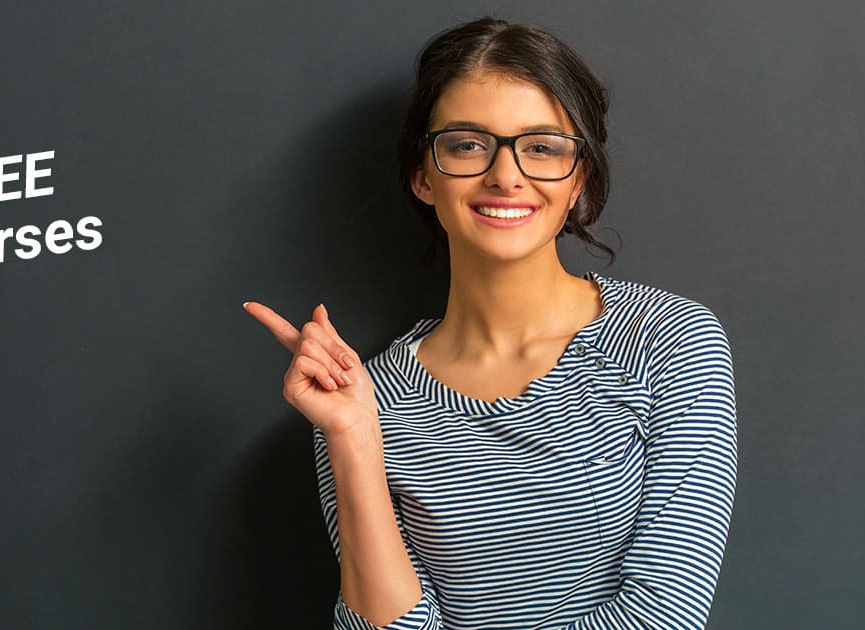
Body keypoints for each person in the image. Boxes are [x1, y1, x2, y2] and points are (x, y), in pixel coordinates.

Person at [244, 17, 736, 630]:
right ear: (423, 175)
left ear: (578, 175)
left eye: (541, 146)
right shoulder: (359, 399)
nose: (506, 175)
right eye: (467, 144)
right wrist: (354, 438)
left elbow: (662, 615)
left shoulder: (666, 338)